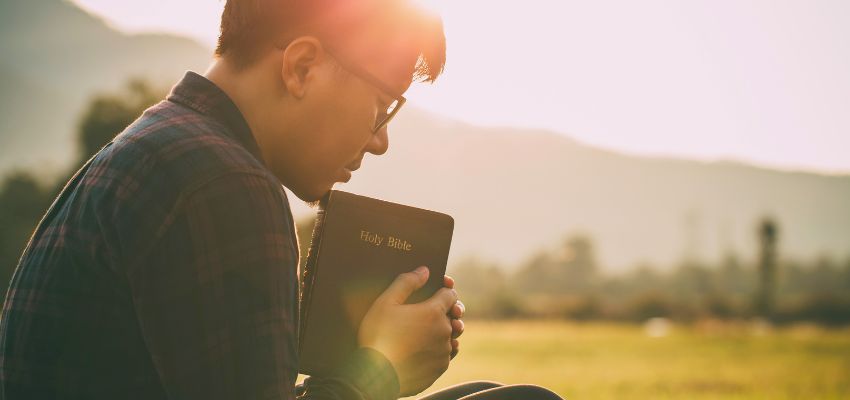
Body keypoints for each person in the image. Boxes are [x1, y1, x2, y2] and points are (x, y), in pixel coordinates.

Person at [0, 0, 562, 399]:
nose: (380, 140)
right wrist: (380, 367)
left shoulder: (167, 143)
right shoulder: (222, 182)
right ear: (302, 66)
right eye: (383, 106)